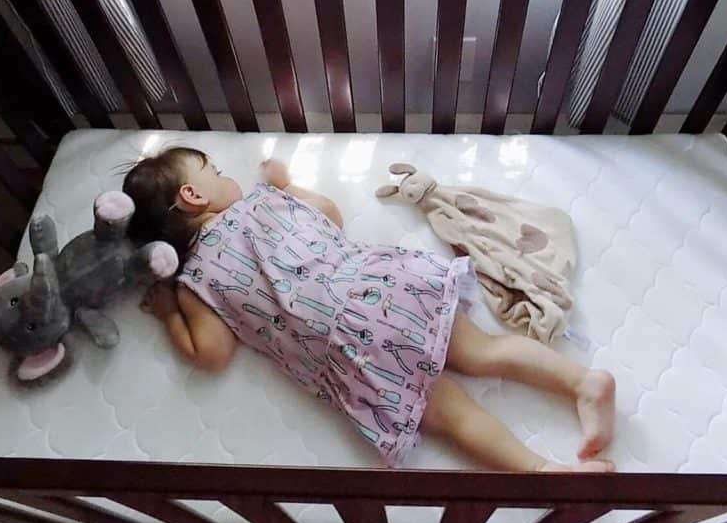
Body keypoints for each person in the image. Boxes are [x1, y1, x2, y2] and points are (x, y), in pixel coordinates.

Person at [124, 147, 615, 471]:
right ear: (193, 195)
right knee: (486, 352)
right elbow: (330, 216)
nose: (226, 175)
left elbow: (210, 354)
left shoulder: (196, 282)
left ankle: (544, 473)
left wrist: (169, 311)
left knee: (452, 416)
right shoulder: (264, 200)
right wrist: (289, 185)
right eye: (216, 172)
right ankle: (583, 383)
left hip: (348, 350)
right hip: (382, 286)